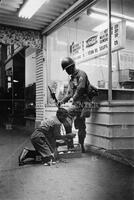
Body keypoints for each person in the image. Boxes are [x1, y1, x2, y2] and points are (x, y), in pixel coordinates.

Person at [58, 57, 92, 153]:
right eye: (66, 70)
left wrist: (73, 99)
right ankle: (71, 146)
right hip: (77, 104)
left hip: (85, 103)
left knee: (78, 123)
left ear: (73, 66)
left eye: (68, 69)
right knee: (73, 121)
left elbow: (80, 89)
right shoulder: (72, 79)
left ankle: (80, 145)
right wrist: (62, 101)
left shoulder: (82, 74)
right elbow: (69, 93)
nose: (67, 71)